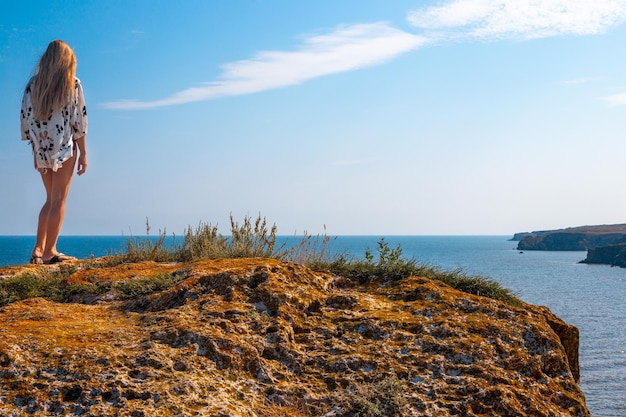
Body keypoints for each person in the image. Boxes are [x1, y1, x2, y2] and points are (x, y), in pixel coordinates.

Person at [20, 40, 88, 265]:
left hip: (42, 150)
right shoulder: (72, 84)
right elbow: (79, 121)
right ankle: (50, 251)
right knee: (59, 199)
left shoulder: (32, 86)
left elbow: (27, 121)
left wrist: (35, 150)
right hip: (64, 148)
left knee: (50, 199)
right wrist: (84, 154)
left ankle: (38, 249)